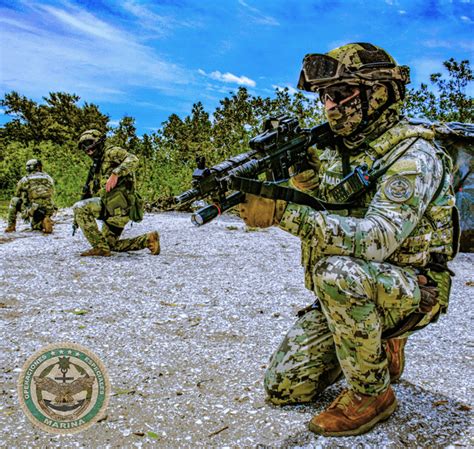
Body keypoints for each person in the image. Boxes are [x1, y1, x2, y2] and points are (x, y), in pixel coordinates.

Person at [239, 43, 458, 436]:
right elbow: (335, 203)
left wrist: (282, 213)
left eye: (341, 94)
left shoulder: (415, 155)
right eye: (324, 96)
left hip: (413, 286)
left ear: (378, 93)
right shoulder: (339, 151)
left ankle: (372, 393)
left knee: (336, 272)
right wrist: (305, 181)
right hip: (363, 285)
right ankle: (375, 341)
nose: (330, 106)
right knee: (285, 387)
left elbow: (377, 238)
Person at [73, 129, 160, 257]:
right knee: (110, 245)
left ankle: (100, 248)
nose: (88, 149)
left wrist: (116, 173)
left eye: (89, 143)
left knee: (79, 207)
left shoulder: (111, 152)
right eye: (83, 147)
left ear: (99, 141)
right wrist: (77, 219)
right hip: (115, 208)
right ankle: (147, 240)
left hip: (117, 205)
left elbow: (133, 159)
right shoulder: (96, 165)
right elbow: (88, 193)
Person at [5, 159, 56, 233]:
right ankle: (45, 219)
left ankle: (11, 226)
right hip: (49, 207)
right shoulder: (48, 177)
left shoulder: (25, 179)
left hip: (34, 208)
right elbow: (52, 191)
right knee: (35, 227)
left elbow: (17, 194)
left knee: (14, 200)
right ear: (38, 167)